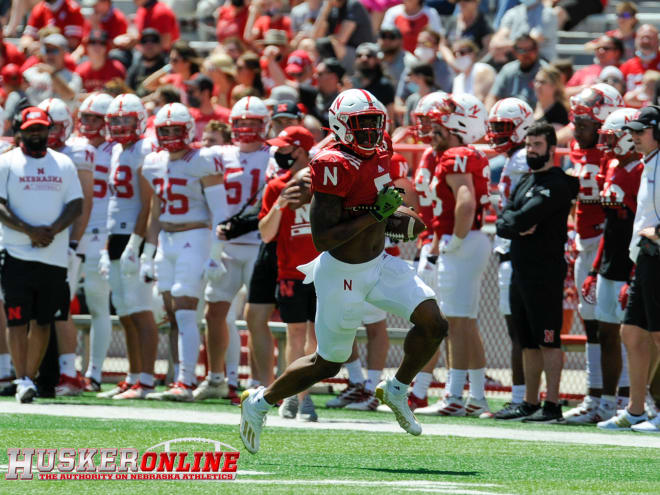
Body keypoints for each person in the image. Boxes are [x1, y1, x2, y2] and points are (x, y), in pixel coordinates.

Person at [239, 89, 448, 454]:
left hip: (379, 262)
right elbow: (324, 238)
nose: (369, 132)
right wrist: (378, 215)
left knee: (434, 323)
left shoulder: (381, 150)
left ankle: (396, 390)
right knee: (328, 362)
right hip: (342, 271)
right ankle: (260, 401)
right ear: (340, 125)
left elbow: (382, 207)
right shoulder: (332, 162)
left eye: (373, 123)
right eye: (360, 124)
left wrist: (398, 219)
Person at [138, 103, 227, 401]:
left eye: (177, 129)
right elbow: (155, 211)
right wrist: (147, 253)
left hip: (196, 235)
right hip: (167, 238)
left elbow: (220, 210)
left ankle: (186, 381)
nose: (171, 135)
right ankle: (180, 377)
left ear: (188, 129)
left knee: (186, 310)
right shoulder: (152, 162)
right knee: (172, 313)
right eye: (166, 130)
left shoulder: (201, 159)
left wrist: (216, 252)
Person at [409, 93, 491, 418]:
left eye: (440, 124)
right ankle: (477, 396)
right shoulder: (460, 152)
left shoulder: (456, 154)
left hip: (461, 240)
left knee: (456, 324)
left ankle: (455, 395)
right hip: (466, 239)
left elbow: (466, 202)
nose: (433, 131)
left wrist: (454, 240)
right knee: (464, 323)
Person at [495, 122, 579, 422]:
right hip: (521, 270)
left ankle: (553, 403)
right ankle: (530, 402)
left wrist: (515, 222)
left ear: (552, 149)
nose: (532, 150)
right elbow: (504, 218)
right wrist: (515, 223)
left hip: (545, 272)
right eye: (529, 145)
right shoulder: (524, 181)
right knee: (527, 339)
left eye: (538, 145)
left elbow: (521, 218)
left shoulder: (556, 183)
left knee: (547, 338)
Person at [0, 106, 83, 403]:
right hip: (16, 252)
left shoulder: (64, 163)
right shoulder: (7, 162)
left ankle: (29, 377)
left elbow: (75, 204)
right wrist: (29, 231)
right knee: (16, 319)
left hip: (53, 254)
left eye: (41, 128)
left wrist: (52, 230)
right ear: (20, 130)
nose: (36, 134)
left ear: (49, 130)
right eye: (31, 129)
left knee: (44, 321)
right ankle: (22, 377)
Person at [570, 108, 641, 423]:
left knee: (639, 337)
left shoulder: (643, 170)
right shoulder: (613, 166)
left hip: (633, 262)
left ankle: (641, 402)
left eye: (611, 138)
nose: (606, 144)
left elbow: (640, 225)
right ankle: (609, 403)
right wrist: (596, 269)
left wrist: (635, 274)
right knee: (607, 333)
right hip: (610, 260)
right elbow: (611, 225)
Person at [198, 97, 272, 403]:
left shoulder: (274, 154)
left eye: (252, 123)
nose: (245, 129)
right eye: (240, 123)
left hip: (258, 243)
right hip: (224, 245)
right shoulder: (220, 154)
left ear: (264, 125)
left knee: (255, 317)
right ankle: (217, 377)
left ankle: (259, 383)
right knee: (213, 313)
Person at [562, 83, 623, 423]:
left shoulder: (615, 152)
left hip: (607, 242)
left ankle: (621, 396)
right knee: (592, 324)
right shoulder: (578, 146)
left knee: (613, 324)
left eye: (584, 124)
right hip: (584, 242)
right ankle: (594, 394)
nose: (577, 129)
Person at [596, 106, 660, 432]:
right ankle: (636, 409)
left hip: (658, 254)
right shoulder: (649, 162)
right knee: (631, 331)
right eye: (632, 130)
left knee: (658, 334)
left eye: (641, 130)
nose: (634, 136)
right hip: (644, 258)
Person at [96, 93, 159, 400]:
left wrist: (137, 244)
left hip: (135, 236)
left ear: (141, 121)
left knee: (140, 310)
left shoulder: (144, 149)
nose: (120, 126)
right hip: (117, 235)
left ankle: (146, 379)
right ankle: (133, 376)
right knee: (124, 312)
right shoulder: (117, 151)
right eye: (115, 120)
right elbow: (115, 204)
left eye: (126, 120)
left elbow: (148, 204)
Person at [258, 125, 318, 420]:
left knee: (318, 339)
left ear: (301, 151)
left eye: (285, 148)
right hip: (291, 270)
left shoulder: (327, 182)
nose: (279, 153)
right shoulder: (276, 186)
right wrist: (281, 203)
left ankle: (305, 396)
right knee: (295, 335)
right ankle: (292, 396)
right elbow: (266, 234)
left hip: (323, 270)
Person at [37, 98, 95, 396]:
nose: (50, 134)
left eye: (55, 127)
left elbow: (84, 203)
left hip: (67, 240)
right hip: (41, 241)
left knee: (62, 308)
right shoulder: (32, 153)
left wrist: (74, 241)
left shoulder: (78, 151)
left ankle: (70, 373)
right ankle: (45, 372)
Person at [487, 97, 535, 417]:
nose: (496, 135)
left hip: (518, 251)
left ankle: (522, 398)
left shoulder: (520, 160)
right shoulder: (514, 157)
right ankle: (523, 396)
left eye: (503, 128)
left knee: (519, 329)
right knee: (517, 329)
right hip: (512, 249)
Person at [75, 92, 116, 392]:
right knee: (58, 304)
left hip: (102, 234)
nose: (89, 123)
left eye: (95, 118)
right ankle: (66, 368)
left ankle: (95, 371)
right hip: (73, 234)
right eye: (85, 117)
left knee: (99, 305)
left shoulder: (119, 151)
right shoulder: (73, 148)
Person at [486, 35, 547, 111]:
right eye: (521, 50)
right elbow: (493, 97)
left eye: (530, 49)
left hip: (535, 118)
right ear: (514, 52)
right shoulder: (508, 70)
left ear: (536, 50)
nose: (526, 53)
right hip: (508, 118)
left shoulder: (545, 72)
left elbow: (547, 105)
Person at [22, 33, 82, 106]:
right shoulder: (31, 73)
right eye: (47, 50)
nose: (50, 55)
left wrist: (52, 74)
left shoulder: (73, 77)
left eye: (54, 50)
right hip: (34, 115)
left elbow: (69, 96)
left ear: (64, 52)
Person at [490, 0, 558, 63]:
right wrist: (512, 46)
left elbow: (530, 43)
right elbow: (496, 42)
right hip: (514, 60)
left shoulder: (548, 13)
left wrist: (506, 46)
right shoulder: (512, 12)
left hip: (540, 62)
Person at [75, 30, 126, 95]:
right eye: (93, 42)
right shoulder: (80, 70)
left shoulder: (117, 69)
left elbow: (120, 95)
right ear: (86, 46)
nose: (97, 46)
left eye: (102, 43)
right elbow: (76, 97)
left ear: (107, 47)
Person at [186, 74, 231, 140]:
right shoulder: (189, 116)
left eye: (192, 91)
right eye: (188, 91)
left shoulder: (226, 116)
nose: (189, 95)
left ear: (205, 93)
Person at [450, 38, 496, 102]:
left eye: (462, 52)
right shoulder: (457, 79)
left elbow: (479, 100)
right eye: (454, 54)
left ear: (473, 53)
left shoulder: (482, 70)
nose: (458, 56)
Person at [126, 29, 167, 98]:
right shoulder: (135, 66)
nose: (149, 44)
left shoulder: (166, 66)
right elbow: (128, 90)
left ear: (160, 44)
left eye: (154, 40)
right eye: (144, 41)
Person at [619, 25, 660, 94]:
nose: (645, 41)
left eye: (649, 37)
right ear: (636, 40)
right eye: (642, 37)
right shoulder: (627, 66)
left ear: (657, 41)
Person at [533, 66, 569, 130]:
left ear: (554, 86)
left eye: (542, 82)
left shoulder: (559, 113)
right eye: (536, 81)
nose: (537, 85)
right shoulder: (533, 105)